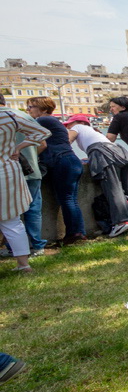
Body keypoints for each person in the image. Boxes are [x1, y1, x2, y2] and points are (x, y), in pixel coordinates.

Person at [63, 114, 128, 237]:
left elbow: (67, 141)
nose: (68, 127)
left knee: (112, 187)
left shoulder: (78, 127)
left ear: (80, 122)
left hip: (103, 154)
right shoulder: (94, 131)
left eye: (69, 124)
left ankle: (121, 222)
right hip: (120, 152)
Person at [25, 97, 87, 245]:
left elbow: (36, 141)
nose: (28, 110)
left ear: (43, 109)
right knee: (70, 199)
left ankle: (74, 233)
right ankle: (78, 232)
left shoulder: (43, 121)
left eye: (31, 107)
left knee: (66, 199)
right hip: (71, 161)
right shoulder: (53, 121)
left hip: (62, 162)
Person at [0, 98, 51, 271]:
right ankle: (23, 264)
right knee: (12, 220)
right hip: (7, 169)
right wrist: (18, 147)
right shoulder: (11, 116)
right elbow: (42, 133)